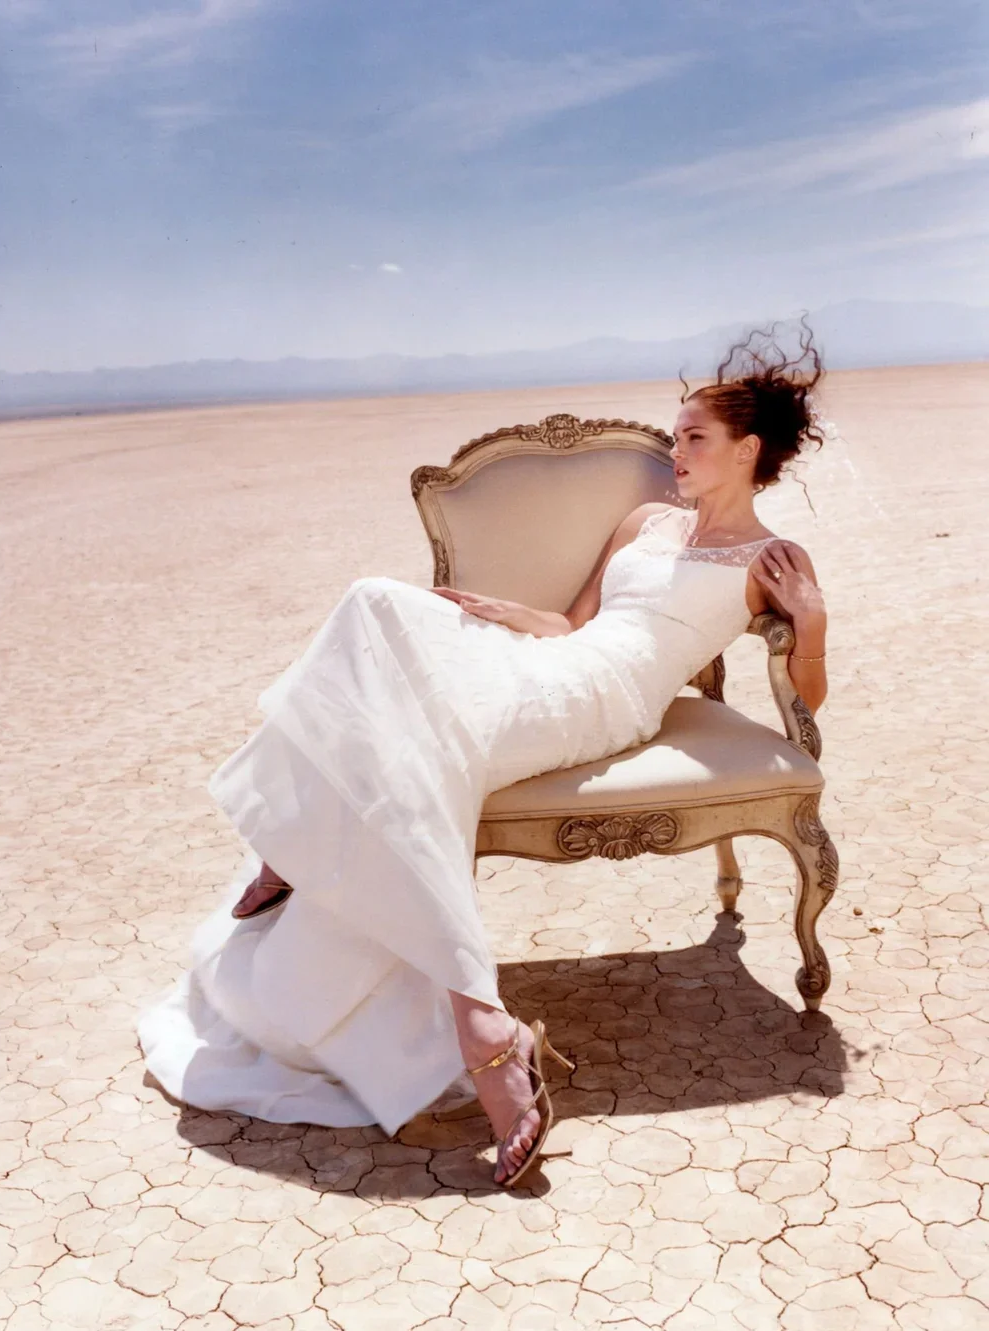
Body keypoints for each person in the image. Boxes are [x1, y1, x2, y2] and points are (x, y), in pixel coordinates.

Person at [139, 330, 829, 1188]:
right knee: (376, 606)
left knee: (416, 723)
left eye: (694, 439)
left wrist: (812, 621)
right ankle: (481, 1027)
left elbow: (810, 694)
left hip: (606, 704)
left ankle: (453, 1002)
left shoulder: (772, 562)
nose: (675, 451)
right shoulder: (648, 521)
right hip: (555, 664)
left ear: (748, 451)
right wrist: (500, 613)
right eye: (676, 432)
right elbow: (575, 626)